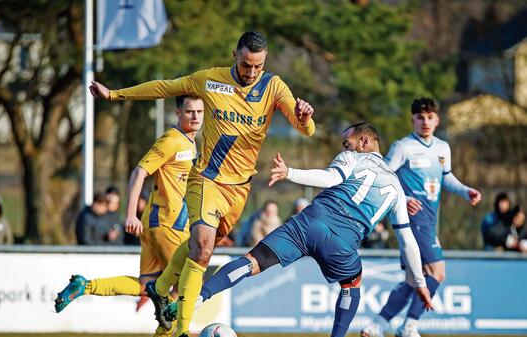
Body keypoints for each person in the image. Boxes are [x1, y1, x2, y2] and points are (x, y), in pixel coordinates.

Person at [89, 31, 315, 336]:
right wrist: (116, 94)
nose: (251, 72)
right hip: (207, 180)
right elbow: (165, 87)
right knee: (202, 249)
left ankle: (158, 287)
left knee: (199, 247)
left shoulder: (273, 86)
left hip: (239, 190)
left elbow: (306, 130)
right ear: (235, 55)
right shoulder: (210, 80)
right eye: (246, 64)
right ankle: (182, 330)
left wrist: (305, 117)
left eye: (257, 66)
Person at [163, 122, 433, 337]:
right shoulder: (397, 187)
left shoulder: (353, 157)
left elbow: (329, 179)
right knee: (352, 285)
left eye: (347, 142)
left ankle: (196, 299)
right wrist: (419, 282)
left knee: (251, 262)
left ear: (364, 141)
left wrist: (290, 172)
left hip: (309, 223)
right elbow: (407, 240)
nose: (344, 146)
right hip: (343, 242)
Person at [55, 95, 204, 337]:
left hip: (158, 222)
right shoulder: (172, 140)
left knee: (147, 286)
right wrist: (130, 213)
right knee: (182, 291)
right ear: (178, 113)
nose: (195, 116)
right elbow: (139, 172)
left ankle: (85, 285)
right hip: (169, 225)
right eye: (190, 111)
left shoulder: (189, 142)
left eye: (199, 111)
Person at [362, 98, 482, 337]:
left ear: (437, 119)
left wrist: (464, 190)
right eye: (420, 117)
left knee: (411, 281)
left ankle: (376, 326)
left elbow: (445, 177)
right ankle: (409, 326)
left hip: (429, 220)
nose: (425, 121)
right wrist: (404, 198)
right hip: (412, 220)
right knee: (437, 273)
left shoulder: (442, 148)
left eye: (429, 117)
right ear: (412, 119)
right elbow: (381, 176)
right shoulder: (402, 147)